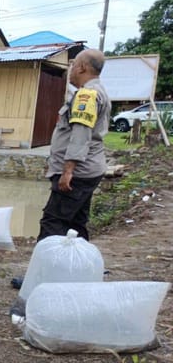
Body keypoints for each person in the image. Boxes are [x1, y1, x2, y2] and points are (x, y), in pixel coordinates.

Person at [40, 49, 112, 240]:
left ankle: (46, 269)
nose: (70, 70)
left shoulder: (86, 95)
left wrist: (68, 171)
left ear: (82, 68)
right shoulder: (99, 91)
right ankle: (80, 267)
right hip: (89, 170)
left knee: (53, 223)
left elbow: (81, 135)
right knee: (76, 224)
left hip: (77, 174)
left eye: (72, 65)